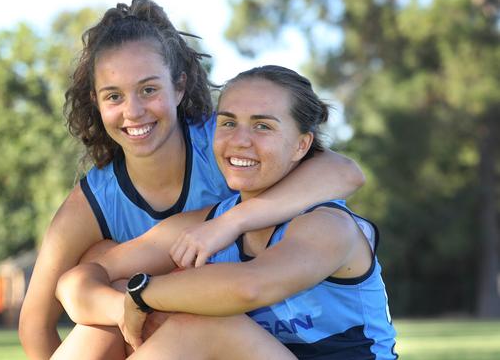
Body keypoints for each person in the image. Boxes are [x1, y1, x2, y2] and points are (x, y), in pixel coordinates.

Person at [18, 0, 365, 359]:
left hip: (223, 331)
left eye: (149, 89)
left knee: (200, 320)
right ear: (96, 100)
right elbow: (51, 308)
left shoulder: (227, 145)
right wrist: (129, 306)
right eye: (114, 96)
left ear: (179, 87)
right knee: (105, 296)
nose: (134, 111)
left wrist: (229, 224)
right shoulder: (99, 199)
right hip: (201, 332)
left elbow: (344, 172)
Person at [56, 65, 398, 359]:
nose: (240, 140)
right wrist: (122, 307)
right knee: (106, 322)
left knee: (206, 323)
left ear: (301, 144)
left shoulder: (327, 225)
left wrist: (143, 295)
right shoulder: (209, 222)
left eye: (262, 126)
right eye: (229, 123)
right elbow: (77, 281)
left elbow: (249, 287)